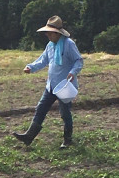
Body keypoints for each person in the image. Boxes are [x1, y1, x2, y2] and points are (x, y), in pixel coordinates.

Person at [14, 16, 83, 149]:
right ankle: (29, 136)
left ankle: (67, 140)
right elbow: (43, 60)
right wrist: (30, 67)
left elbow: (78, 60)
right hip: (51, 86)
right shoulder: (50, 46)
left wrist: (73, 72)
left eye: (49, 32)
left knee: (65, 113)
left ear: (57, 33)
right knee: (41, 108)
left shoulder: (69, 44)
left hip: (64, 86)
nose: (47, 35)